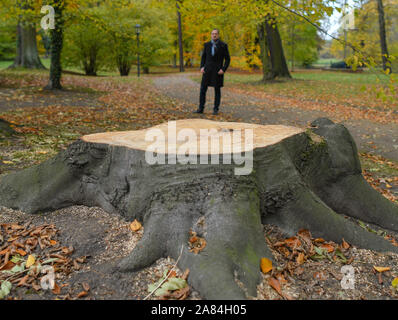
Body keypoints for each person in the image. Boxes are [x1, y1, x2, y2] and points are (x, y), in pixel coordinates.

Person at [193, 29, 230, 115]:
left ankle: (215, 109)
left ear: (218, 35)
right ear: (211, 35)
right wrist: (202, 67)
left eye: (216, 34)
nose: (214, 35)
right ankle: (200, 108)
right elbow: (203, 57)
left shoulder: (223, 45)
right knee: (203, 89)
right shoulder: (207, 45)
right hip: (207, 71)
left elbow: (227, 59)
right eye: (212, 34)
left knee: (217, 90)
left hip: (218, 71)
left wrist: (223, 69)